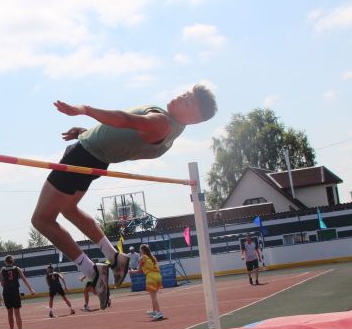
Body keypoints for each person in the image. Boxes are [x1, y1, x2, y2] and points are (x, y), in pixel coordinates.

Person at [31, 86, 218, 308]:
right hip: (94, 156)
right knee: (69, 209)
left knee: (41, 220)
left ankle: (91, 271)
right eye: (185, 94)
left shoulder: (161, 123)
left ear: (194, 119)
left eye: (188, 102)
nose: (180, 97)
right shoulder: (171, 129)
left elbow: (123, 120)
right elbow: (122, 139)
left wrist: (84, 109)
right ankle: (114, 257)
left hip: (84, 155)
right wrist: (87, 133)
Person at [0, 255, 36, 329]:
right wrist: (31, 289)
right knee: (17, 313)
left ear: (5, 262)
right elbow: (24, 279)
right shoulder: (17, 269)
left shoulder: (2, 270)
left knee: (10, 313)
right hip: (15, 291)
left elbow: (2, 283)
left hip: (7, 292)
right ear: (12, 261)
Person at [137, 244, 164, 321]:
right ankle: (155, 311)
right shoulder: (152, 257)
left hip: (151, 277)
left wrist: (131, 271)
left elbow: (139, 270)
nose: (139, 251)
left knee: (153, 297)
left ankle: (159, 312)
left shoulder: (142, 258)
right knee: (154, 296)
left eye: (140, 249)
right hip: (158, 276)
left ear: (142, 250)